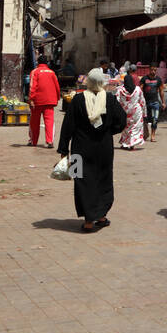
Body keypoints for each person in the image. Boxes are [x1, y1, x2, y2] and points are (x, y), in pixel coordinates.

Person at [56, 68, 126, 232]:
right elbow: (122, 121)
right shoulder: (110, 99)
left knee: (81, 180)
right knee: (103, 179)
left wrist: (63, 149)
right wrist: (109, 131)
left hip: (79, 149)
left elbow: (68, 126)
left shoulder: (78, 99)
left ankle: (89, 220)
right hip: (104, 148)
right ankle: (101, 216)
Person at [28, 54, 60, 149]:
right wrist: (57, 98)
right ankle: (50, 141)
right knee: (49, 121)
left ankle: (33, 141)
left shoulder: (35, 72)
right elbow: (57, 86)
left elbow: (32, 87)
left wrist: (31, 99)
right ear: (47, 63)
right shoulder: (52, 72)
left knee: (34, 122)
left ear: (38, 62)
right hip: (50, 101)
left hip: (37, 101)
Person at [116, 73, 147, 150]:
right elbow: (142, 101)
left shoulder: (120, 90)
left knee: (126, 128)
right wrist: (144, 113)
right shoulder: (138, 89)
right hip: (136, 111)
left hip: (124, 112)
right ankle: (131, 145)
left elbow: (116, 101)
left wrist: (117, 112)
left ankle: (125, 144)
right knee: (135, 128)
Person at [142, 68, 162, 142]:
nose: (153, 71)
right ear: (149, 70)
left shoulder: (158, 80)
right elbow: (140, 89)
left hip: (155, 102)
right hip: (145, 103)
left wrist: (163, 102)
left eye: (154, 70)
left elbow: (161, 90)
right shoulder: (144, 79)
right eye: (152, 70)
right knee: (144, 119)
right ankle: (145, 133)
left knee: (155, 119)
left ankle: (153, 135)